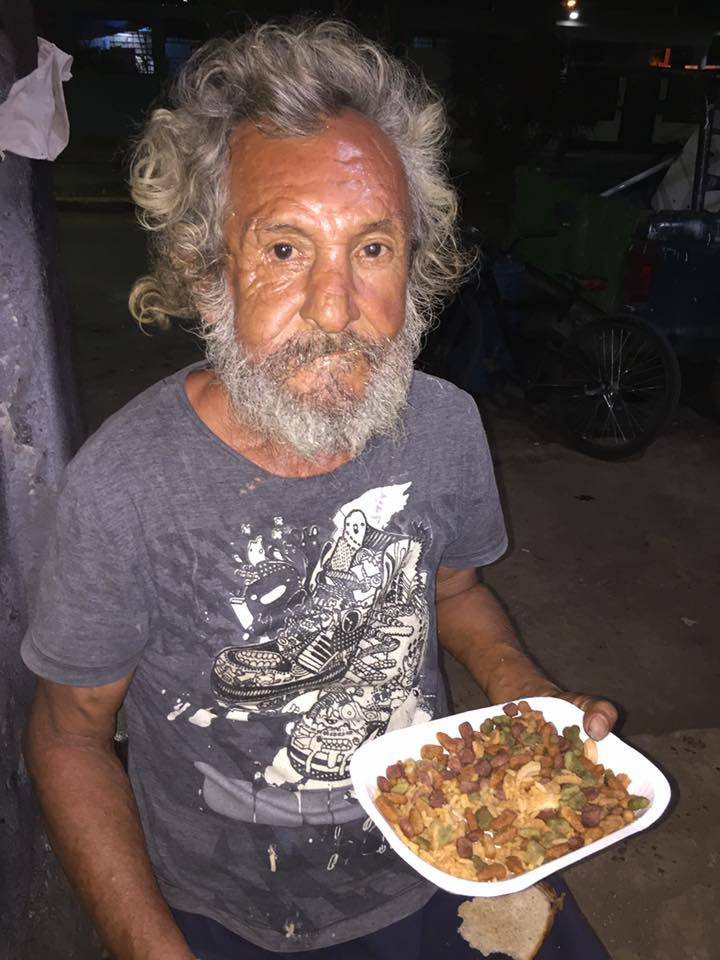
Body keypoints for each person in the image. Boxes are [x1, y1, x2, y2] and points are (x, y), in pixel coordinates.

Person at [21, 20, 617, 960]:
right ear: (205, 267)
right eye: (287, 249)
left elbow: (454, 590)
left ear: (416, 266)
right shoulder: (124, 487)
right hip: (227, 910)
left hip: (441, 849)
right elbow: (67, 737)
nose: (336, 310)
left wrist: (521, 691)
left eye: (373, 249)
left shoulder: (444, 425)